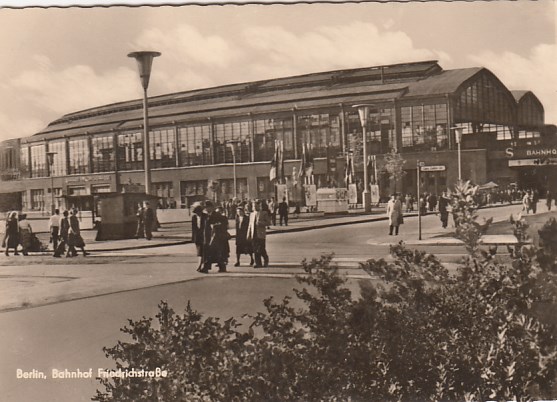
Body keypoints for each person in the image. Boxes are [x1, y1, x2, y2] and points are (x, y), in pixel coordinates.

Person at [200, 200, 229, 273]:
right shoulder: (206, 215)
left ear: (211, 207)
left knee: (213, 253)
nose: (206, 209)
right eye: (205, 207)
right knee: (213, 253)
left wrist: (216, 225)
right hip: (208, 237)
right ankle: (221, 267)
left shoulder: (216, 215)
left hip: (216, 238)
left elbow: (224, 223)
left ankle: (206, 268)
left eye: (207, 207)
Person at [247, 199, 271, 268]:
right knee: (255, 249)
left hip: (260, 234)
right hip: (253, 234)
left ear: (259, 206)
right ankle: (258, 263)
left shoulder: (264, 213)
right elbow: (250, 225)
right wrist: (248, 234)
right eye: (253, 206)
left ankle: (266, 260)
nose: (254, 207)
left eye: (255, 206)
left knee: (261, 249)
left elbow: (268, 222)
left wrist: (260, 223)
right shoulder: (251, 214)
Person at [191, 202, 206, 272]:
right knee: (199, 251)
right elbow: (193, 228)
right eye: (196, 212)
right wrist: (193, 237)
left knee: (203, 251)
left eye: (198, 212)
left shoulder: (205, 216)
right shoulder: (194, 217)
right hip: (198, 236)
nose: (197, 214)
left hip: (205, 236)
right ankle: (200, 264)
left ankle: (200, 265)